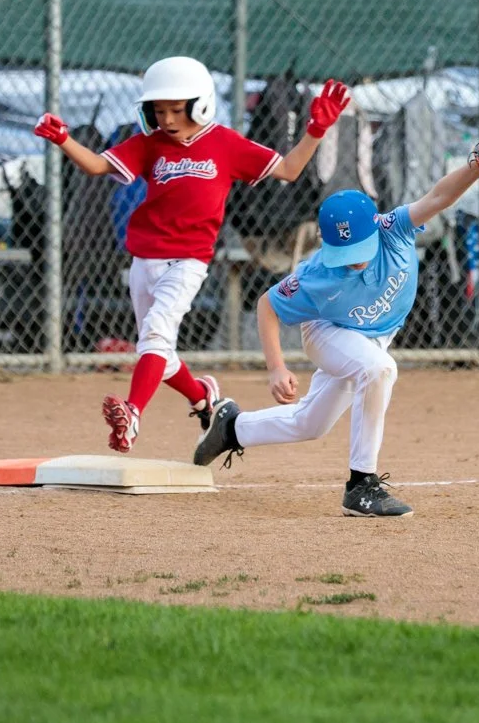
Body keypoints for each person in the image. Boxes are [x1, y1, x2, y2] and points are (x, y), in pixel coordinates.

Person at [35, 57, 349, 452]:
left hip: (189, 261)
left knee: (155, 336)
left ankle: (132, 414)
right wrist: (64, 139)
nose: (166, 118)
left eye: (176, 109)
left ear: (200, 103)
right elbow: (98, 165)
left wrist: (316, 130)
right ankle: (203, 397)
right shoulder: (149, 144)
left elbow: (287, 169)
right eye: (159, 110)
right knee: (158, 350)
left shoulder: (225, 142)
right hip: (144, 260)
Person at [193, 154, 479, 518]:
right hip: (327, 333)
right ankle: (362, 486)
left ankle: (232, 426)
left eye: (360, 249)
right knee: (379, 370)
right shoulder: (319, 272)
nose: (354, 260)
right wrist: (276, 367)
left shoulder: (394, 229)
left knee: (310, 423)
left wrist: (477, 167)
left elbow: (439, 198)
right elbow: (268, 305)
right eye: (345, 252)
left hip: (371, 338)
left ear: (376, 227)